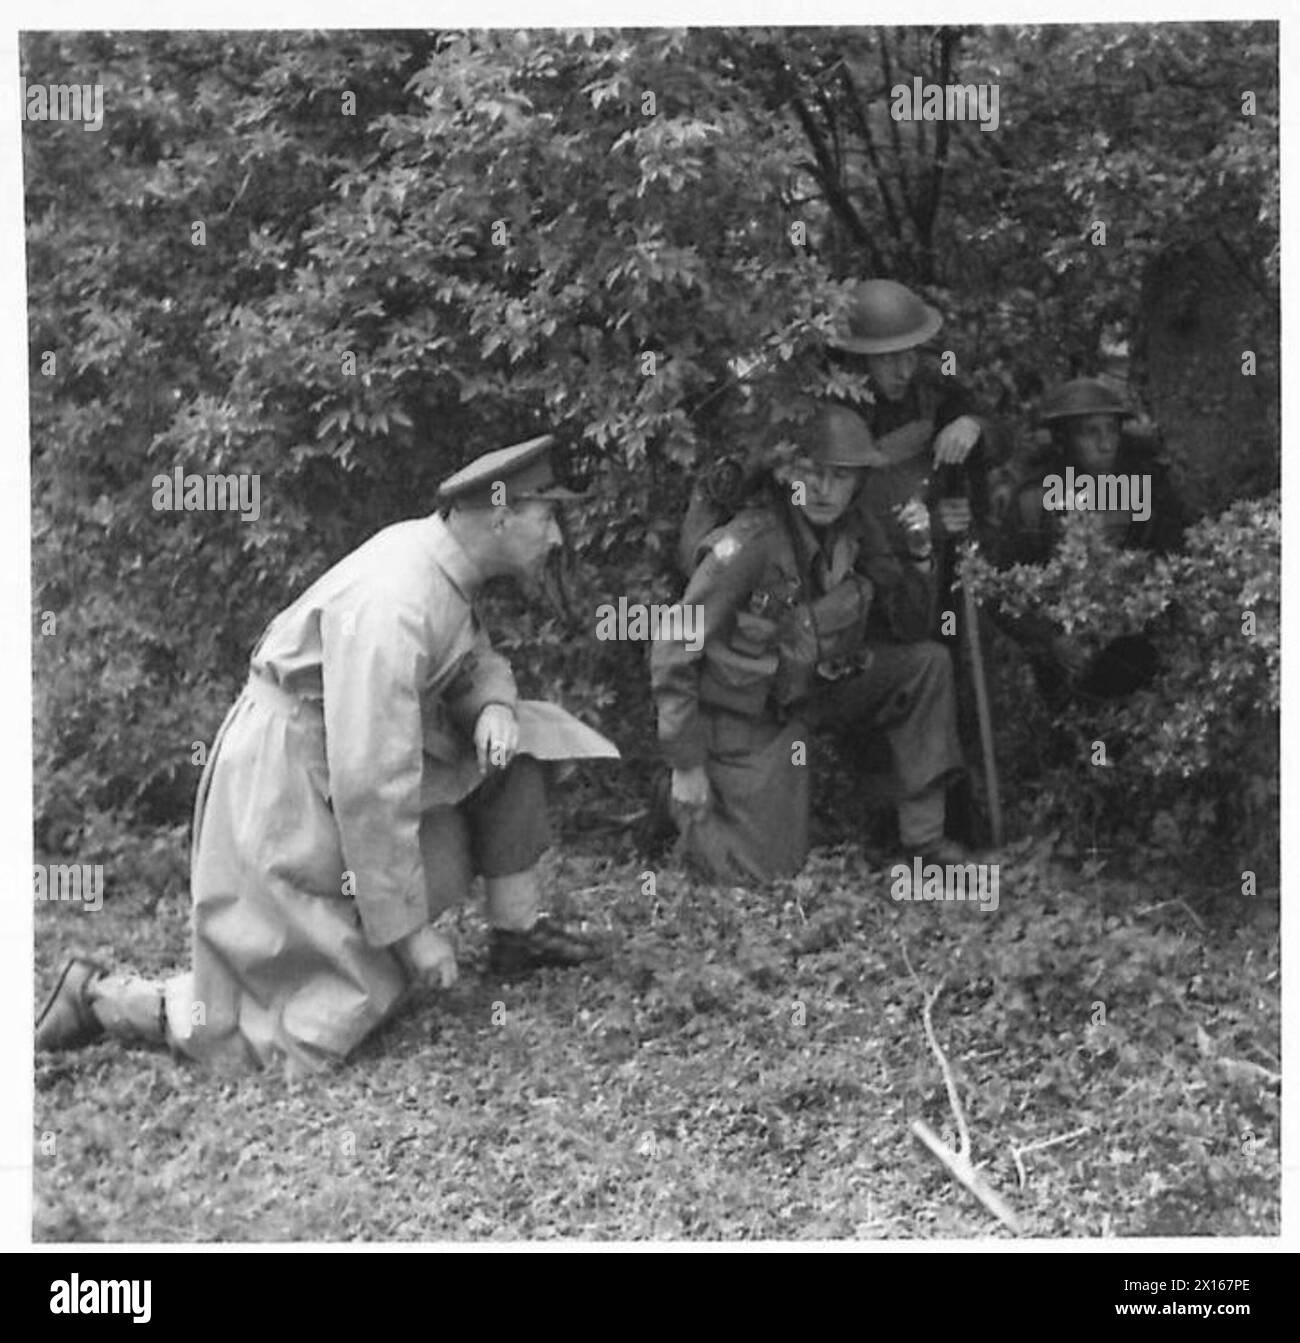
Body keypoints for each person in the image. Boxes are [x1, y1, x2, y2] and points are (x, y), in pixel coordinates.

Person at [36, 436, 618, 1073]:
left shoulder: (439, 563)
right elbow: (371, 780)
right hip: (287, 783)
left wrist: (495, 708)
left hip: (331, 762)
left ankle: (515, 935)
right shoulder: (395, 602)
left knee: (527, 741)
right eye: (546, 516)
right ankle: (100, 1000)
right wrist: (413, 938)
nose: (557, 536)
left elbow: (471, 659)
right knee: (292, 1028)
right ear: (501, 515)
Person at [650, 403, 970, 884]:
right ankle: (674, 795)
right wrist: (685, 764)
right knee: (767, 875)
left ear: (858, 482)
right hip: (755, 716)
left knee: (926, 664)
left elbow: (909, 626)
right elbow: (676, 645)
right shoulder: (749, 542)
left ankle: (924, 842)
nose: (824, 489)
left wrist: (921, 551)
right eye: (812, 473)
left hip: (817, 690)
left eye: (840, 477)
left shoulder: (858, 531)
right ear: (787, 475)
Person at [995, 377, 1187, 704]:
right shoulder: (1033, 502)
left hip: (1142, 653)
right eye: (1090, 432)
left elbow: (1179, 562)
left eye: (1111, 429)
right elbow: (1003, 591)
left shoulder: (1149, 491)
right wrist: (1050, 640)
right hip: (1066, 660)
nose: (1104, 442)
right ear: (1062, 439)